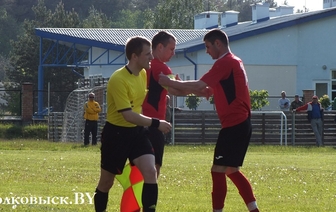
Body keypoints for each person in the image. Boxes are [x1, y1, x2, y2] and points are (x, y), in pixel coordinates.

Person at [159, 29, 259, 212]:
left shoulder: (225, 62)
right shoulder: (234, 62)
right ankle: (254, 209)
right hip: (241, 123)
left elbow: (198, 85)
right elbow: (203, 90)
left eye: (207, 46)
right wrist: (176, 84)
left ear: (218, 44)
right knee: (231, 170)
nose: (206, 51)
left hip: (235, 124)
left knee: (218, 170)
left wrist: (169, 82)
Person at [93, 36, 172, 212]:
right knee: (106, 183)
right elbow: (128, 115)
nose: (151, 58)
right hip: (116, 135)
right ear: (134, 57)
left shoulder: (143, 73)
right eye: (147, 54)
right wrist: (156, 123)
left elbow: (138, 104)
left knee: (151, 173)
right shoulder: (118, 79)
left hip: (136, 133)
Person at [142, 31, 176, 177]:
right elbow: (176, 88)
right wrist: (201, 88)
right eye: (171, 49)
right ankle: (149, 197)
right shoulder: (161, 67)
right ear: (160, 47)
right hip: (154, 123)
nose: (173, 53)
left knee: (138, 165)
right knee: (154, 168)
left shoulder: (143, 66)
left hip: (139, 120)